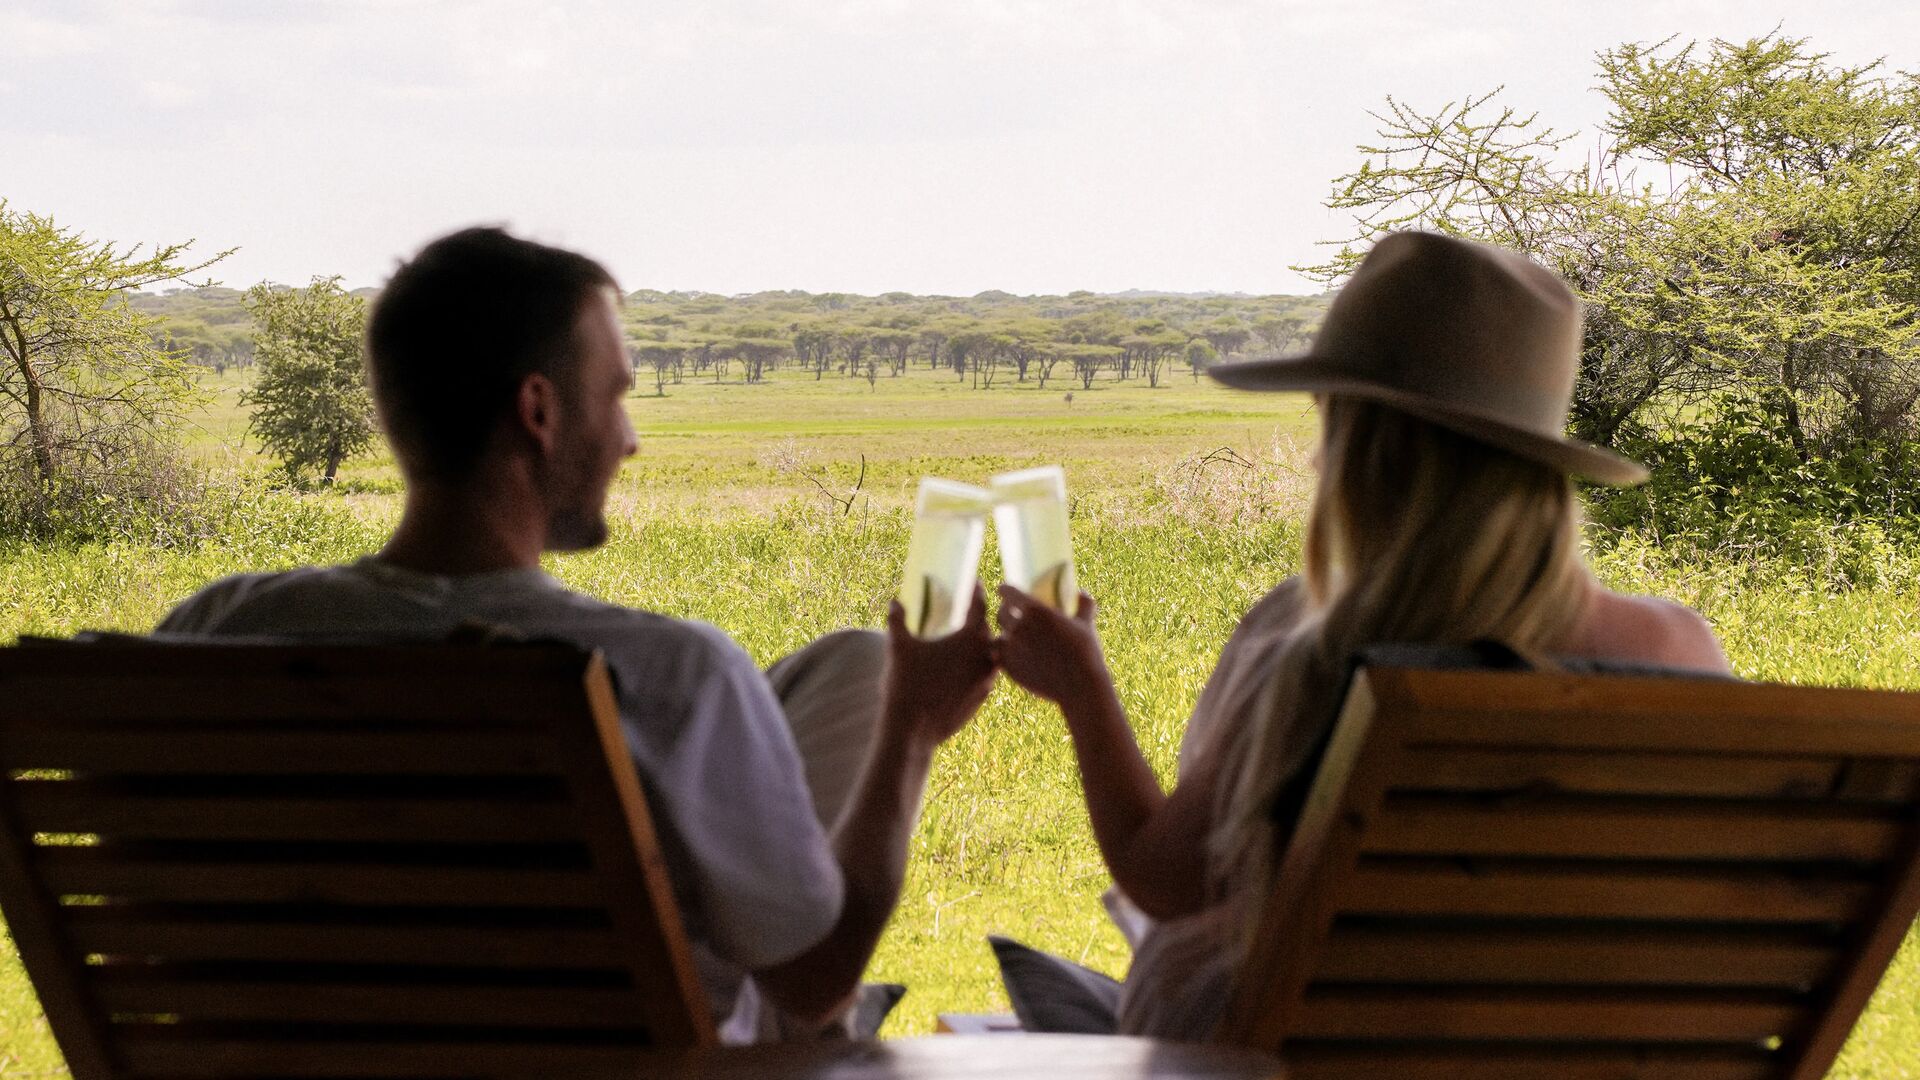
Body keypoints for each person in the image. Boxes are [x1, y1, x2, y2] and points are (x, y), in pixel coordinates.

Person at [158, 227, 997, 1043]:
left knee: (855, 661)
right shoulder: (668, 672)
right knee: (868, 685)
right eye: (618, 396)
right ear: (539, 411)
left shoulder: (210, 631)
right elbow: (815, 984)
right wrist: (913, 730)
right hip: (635, 1060)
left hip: (306, 1055)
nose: (630, 441)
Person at [992, 230, 1731, 1037]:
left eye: (1328, 424)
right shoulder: (1678, 651)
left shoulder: (1313, 650)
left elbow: (1167, 884)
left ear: (1365, 451)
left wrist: (1082, 690)